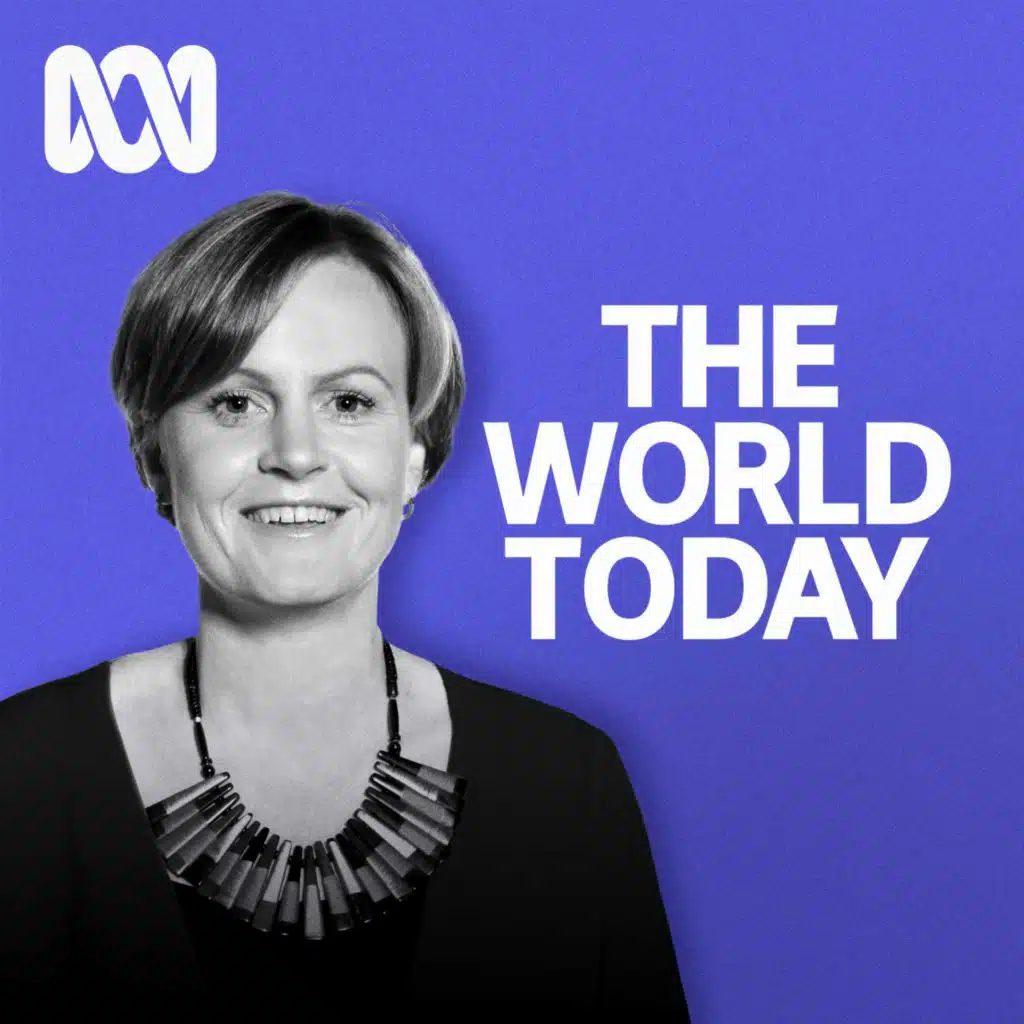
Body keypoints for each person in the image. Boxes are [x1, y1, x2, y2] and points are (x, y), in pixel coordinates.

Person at [0, 193, 688, 1013]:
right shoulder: (18, 775)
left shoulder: (567, 788)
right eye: (235, 403)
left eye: (349, 402)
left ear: (415, 453)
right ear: (156, 456)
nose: (295, 454)